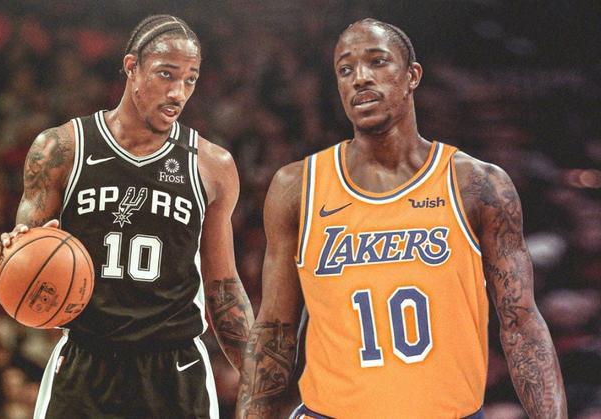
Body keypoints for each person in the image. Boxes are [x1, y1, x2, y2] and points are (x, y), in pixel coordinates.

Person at [236, 18, 567, 419]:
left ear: (412, 76)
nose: (360, 77)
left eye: (377, 62)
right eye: (345, 69)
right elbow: (274, 331)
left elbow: (521, 325)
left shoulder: (477, 185)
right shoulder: (297, 187)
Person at [0, 14, 254, 419]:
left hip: (175, 370)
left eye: (190, 79)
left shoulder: (212, 165)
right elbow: (25, 252)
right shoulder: (61, 149)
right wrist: (12, 254)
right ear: (132, 67)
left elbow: (223, 288)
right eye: (166, 74)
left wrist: (263, 384)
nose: (178, 92)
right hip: (86, 362)